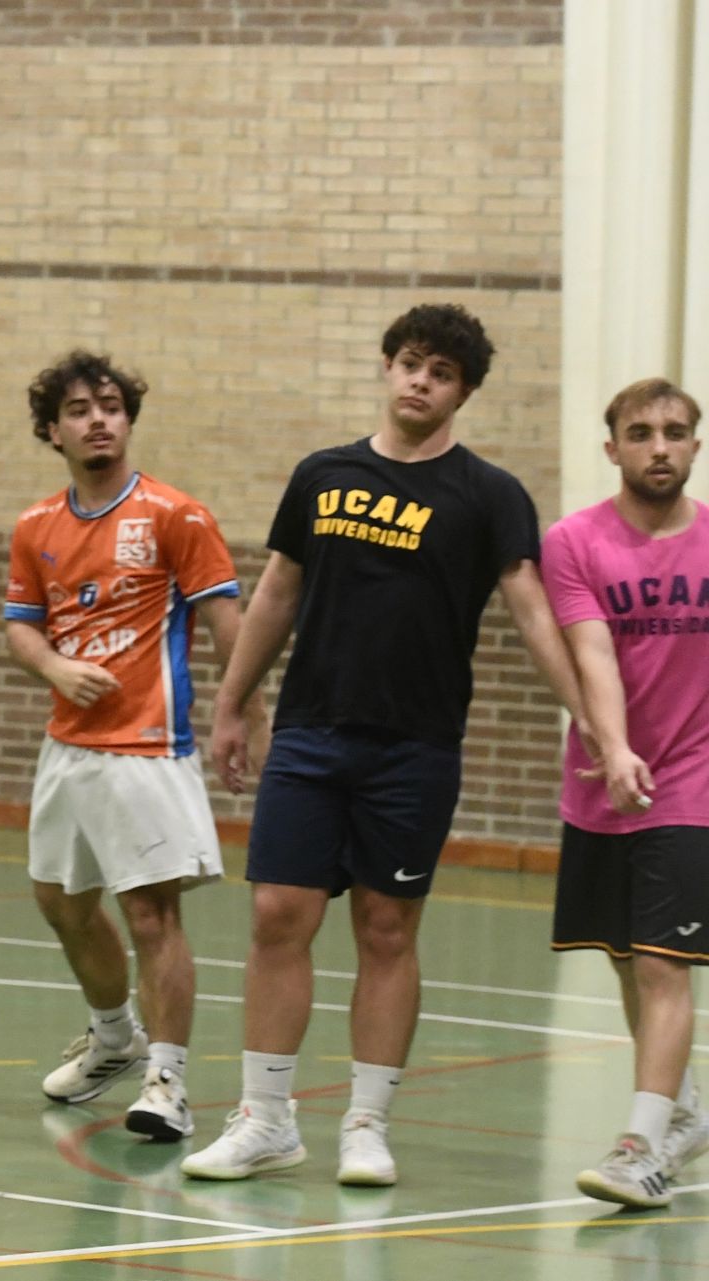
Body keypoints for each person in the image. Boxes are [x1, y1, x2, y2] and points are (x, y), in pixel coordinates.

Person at [181, 303, 587, 1186]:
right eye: (410, 363)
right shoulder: (323, 475)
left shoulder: (490, 496)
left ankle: (366, 1123)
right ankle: (265, 1117)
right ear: (387, 367)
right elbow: (279, 592)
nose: (420, 382)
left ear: (462, 393)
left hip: (416, 746)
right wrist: (232, 703)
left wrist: (585, 714)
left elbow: (530, 609)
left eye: (441, 374)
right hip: (311, 735)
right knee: (276, 916)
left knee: (387, 927)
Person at [5, 351, 258, 1143]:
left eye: (110, 405)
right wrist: (53, 665)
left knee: (151, 915)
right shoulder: (35, 527)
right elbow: (22, 623)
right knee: (62, 902)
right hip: (68, 748)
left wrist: (238, 712)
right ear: (54, 430)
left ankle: (169, 1082)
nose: (99, 420)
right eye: (79, 409)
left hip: (149, 746)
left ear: (128, 418)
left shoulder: (177, 516)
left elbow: (229, 626)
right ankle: (116, 1036)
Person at [543, 377, 709, 1209]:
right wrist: (613, 748)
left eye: (675, 432)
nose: (659, 447)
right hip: (606, 781)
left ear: (695, 445)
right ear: (612, 448)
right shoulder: (574, 541)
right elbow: (592, 652)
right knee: (623, 956)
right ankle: (680, 1110)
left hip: (696, 782)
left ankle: (642, 1145)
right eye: (640, 433)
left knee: (662, 960)